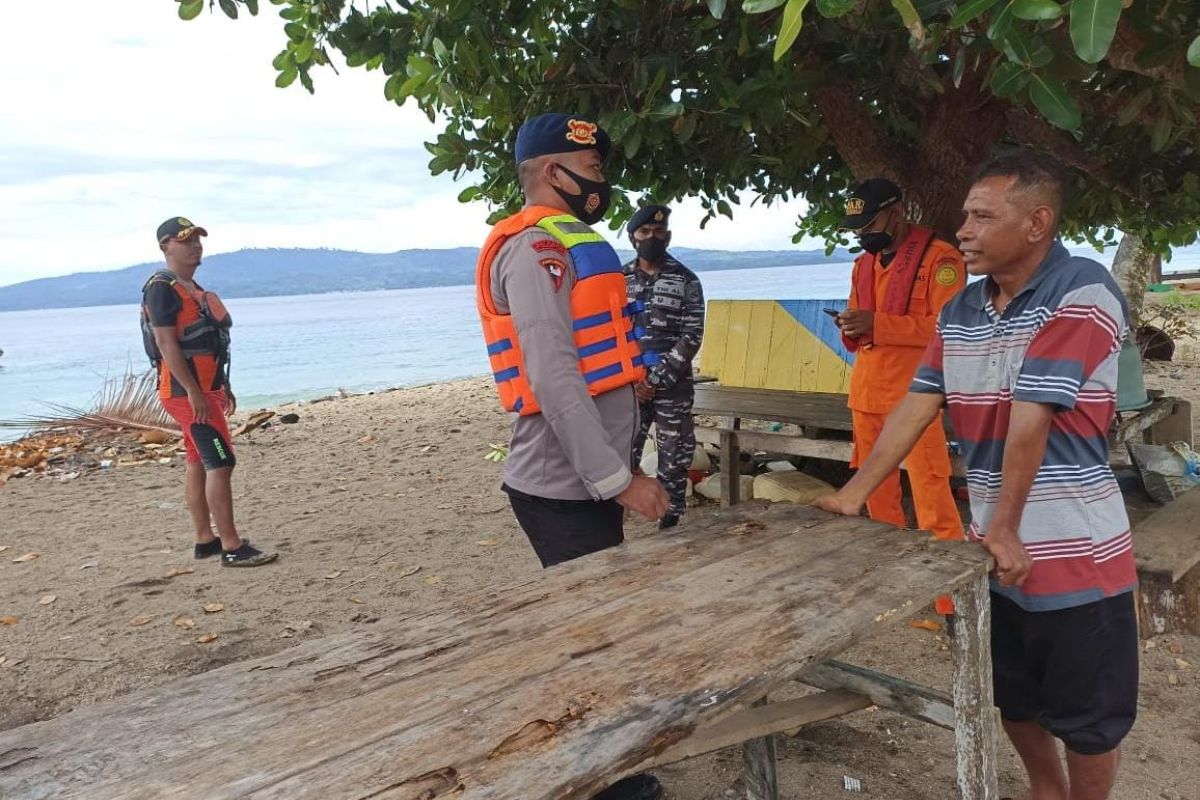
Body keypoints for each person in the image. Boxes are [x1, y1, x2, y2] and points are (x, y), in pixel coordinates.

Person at [817, 151, 1138, 800]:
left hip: (1077, 553)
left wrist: (1008, 530)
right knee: (1012, 695)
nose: (962, 228)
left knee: (1089, 718)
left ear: (1037, 222)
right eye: (964, 214)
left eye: (981, 216)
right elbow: (918, 403)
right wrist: (851, 495)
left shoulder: (1083, 288)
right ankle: (1046, 789)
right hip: (993, 549)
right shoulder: (962, 309)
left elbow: (1032, 414)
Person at [474, 114, 669, 800]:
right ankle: (602, 779)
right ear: (554, 173)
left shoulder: (569, 243)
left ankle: (612, 765)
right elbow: (554, 379)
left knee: (601, 626)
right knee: (594, 634)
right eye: (593, 173)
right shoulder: (532, 251)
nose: (602, 186)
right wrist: (621, 483)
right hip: (560, 486)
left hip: (586, 479)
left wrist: (624, 466)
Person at [836, 178, 966, 617]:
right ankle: (895, 592)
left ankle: (952, 604)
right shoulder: (862, 264)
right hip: (867, 393)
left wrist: (879, 324)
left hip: (915, 400)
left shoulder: (941, 259)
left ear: (897, 211)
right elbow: (863, 323)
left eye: (869, 222)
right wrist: (852, 325)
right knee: (877, 500)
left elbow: (949, 329)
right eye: (857, 227)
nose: (862, 234)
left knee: (932, 499)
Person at [141, 217, 276, 567]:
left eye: (197, 240)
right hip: (188, 394)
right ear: (165, 246)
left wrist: (221, 387)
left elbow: (209, 344)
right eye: (185, 241)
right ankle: (232, 546)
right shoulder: (162, 288)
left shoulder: (188, 286)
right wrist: (195, 393)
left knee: (198, 459)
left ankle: (206, 540)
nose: (194, 246)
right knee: (222, 461)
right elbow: (166, 342)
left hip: (203, 390)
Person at [623, 204, 705, 529]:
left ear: (668, 236)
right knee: (622, 456)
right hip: (630, 388)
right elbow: (613, 333)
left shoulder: (687, 280)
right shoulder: (618, 280)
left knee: (674, 459)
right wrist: (632, 379)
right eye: (644, 232)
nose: (651, 237)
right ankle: (616, 522)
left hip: (673, 387)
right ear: (633, 237)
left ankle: (670, 524)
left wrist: (655, 380)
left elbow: (692, 335)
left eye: (658, 232)